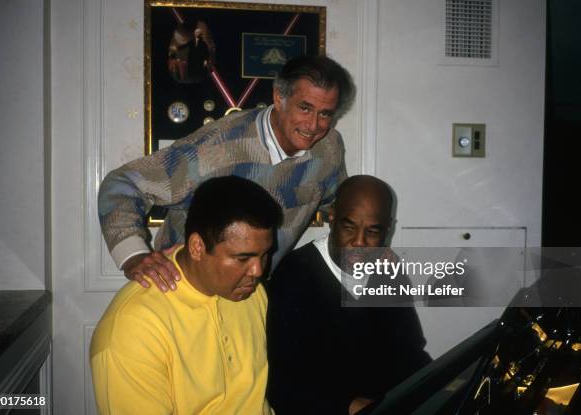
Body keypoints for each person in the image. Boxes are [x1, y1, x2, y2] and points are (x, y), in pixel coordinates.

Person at [98, 55, 355, 292]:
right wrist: (133, 255)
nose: (314, 125)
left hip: (251, 295)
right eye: (305, 108)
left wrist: (372, 258)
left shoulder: (328, 148)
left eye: (325, 114)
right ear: (279, 97)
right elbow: (122, 185)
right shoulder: (216, 148)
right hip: (181, 291)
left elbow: (342, 207)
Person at [90, 176, 282, 414]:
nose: (258, 271)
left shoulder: (251, 293)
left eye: (264, 255)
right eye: (243, 258)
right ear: (197, 247)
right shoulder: (132, 328)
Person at [266, 175, 432, 415]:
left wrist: (439, 386)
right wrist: (347, 406)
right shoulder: (294, 277)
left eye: (373, 232)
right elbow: (281, 383)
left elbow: (409, 352)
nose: (359, 242)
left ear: (388, 229)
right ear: (331, 218)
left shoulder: (388, 274)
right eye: (349, 227)